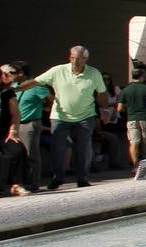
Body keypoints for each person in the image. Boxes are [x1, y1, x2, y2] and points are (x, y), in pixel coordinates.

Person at [15, 46, 107, 189]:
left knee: (83, 148)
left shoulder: (94, 73)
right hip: (60, 116)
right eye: (74, 58)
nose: (76, 61)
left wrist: (104, 109)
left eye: (80, 59)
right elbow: (36, 81)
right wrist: (16, 88)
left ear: (86, 59)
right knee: (58, 148)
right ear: (69, 57)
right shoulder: (57, 71)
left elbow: (102, 92)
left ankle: (82, 178)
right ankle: (58, 177)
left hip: (85, 116)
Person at [11, 60, 50, 191]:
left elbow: (51, 100)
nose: (10, 74)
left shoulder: (36, 86)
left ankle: (33, 183)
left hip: (29, 124)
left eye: (13, 72)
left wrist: (44, 109)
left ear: (21, 73)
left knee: (31, 155)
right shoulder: (13, 86)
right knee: (15, 154)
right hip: (14, 125)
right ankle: (16, 182)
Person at [0, 63, 30, 196]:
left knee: (18, 149)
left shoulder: (6, 93)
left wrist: (13, 131)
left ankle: (16, 184)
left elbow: (15, 114)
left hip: (3, 133)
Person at [118, 66, 146, 170]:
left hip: (132, 118)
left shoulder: (125, 90)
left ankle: (135, 166)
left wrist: (129, 111)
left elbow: (119, 108)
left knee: (134, 142)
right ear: (143, 76)